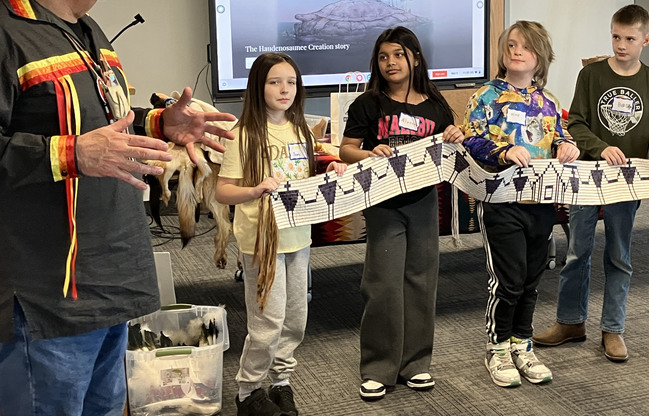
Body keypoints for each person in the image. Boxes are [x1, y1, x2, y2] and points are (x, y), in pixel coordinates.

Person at [0, 0, 236, 416]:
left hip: (111, 282)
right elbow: (78, 145)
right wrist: (72, 155)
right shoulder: (5, 32)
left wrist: (160, 122)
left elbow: (103, 124)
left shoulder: (89, 31)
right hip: (47, 301)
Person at [533, 4, 649, 362]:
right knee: (578, 250)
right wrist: (600, 147)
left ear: (646, 40)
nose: (621, 45)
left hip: (627, 181)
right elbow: (575, 123)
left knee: (619, 254)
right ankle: (570, 321)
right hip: (586, 175)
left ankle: (613, 328)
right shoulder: (592, 75)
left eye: (629, 38)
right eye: (615, 36)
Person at [216, 52, 346, 416]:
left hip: (297, 237)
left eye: (290, 81)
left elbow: (304, 179)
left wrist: (330, 168)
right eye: (275, 81)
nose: (284, 89)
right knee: (267, 320)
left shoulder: (302, 129)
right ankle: (247, 390)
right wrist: (255, 190)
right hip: (261, 241)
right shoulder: (242, 134)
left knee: (294, 318)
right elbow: (222, 191)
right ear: (259, 86)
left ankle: (281, 381)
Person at [338, 27, 464, 401]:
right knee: (383, 285)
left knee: (422, 283)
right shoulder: (368, 104)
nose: (390, 63)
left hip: (424, 202)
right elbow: (346, 150)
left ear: (416, 58)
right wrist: (369, 153)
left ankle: (416, 364)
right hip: (383, 204)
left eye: (398, 54)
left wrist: (455, 135)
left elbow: (450, 152)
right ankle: (378, 368)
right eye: (382, 56)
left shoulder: (436, 106)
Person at [463, 21, 580, 387]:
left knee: (531, 278)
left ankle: (521, 343)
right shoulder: (484, 96)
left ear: (540, 59)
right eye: (511, 45)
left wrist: (567, 145)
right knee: (508, 281)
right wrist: (501, 151)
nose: (516, 51)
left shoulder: (548, 102)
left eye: (525, 47)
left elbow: (561, 135)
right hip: (500, 201)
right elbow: (469, 139)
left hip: (540, 202)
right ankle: (497, 347)